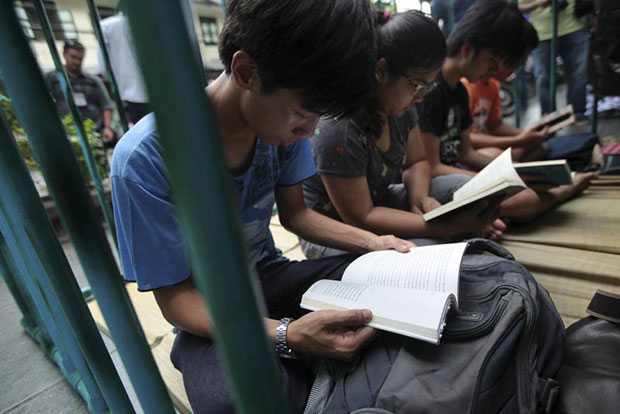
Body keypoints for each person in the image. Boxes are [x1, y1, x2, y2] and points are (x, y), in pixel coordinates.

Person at [111, 1, 413, 412]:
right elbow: (176, 299)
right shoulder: (146, 159)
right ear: (246, 72)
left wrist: (373, 242)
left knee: (395, 276)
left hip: (270, 277)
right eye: (304, 114)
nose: (309, 132)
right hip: (206, 311)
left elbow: (297, 215)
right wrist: (287, 334)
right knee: (238, 401)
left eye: (318, 118)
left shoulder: (280, 129)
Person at [300, 10, 503, 259]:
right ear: (381, 70)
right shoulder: (340, 127)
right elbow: (361, 217)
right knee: (428, 249)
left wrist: (420, 197)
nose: (420, 98)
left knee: (462, 190)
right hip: (340, 232)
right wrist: (447, 226)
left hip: (380, 203)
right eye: (417, 85)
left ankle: (466, 256)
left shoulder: (399, 106)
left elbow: (417, 161)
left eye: (428, 87)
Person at [418, 0, 595, 223]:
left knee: (496, 156)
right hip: (434, 180)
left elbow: (467, 153)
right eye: (491, 65)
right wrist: (506, 180)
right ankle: (562, 194)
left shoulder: (459, 91)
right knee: (525, 200)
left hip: (452, 168)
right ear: (468, 50)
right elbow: (432, 168)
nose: (491, 74)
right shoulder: (432, 91)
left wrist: (517, 173)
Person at [461, 22, 550, 162]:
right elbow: (467, 141)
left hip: (483, 146)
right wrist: (518, 140)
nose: (515, 70)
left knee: (539, 147)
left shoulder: (492, 85)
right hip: (471, 151)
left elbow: (494, 126)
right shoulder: (466, 87)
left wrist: (528, 134)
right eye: (514, 63)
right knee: (498, 156)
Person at [518, 0, 590, 118]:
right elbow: (518, 6)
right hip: (542, 33)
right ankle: (549, 116)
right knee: (543, 77)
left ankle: (577, 113)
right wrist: (538, 4)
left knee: (579, 74)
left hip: (573, 27)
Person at [44, 40, 117, 146]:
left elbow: (106, 106)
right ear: (64, 55)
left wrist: (107, 128)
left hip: (94, 135)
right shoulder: (52, 79)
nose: (77, 62)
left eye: (80, 58)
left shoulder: (93, 81)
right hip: (65, 135)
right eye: (73, 57)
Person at [100, 12, 151, 125]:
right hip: (159, 94)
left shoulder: (107, 26)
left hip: (130, 97)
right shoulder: (151, 21)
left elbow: (103, 68)